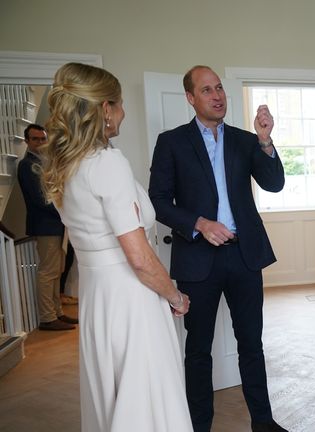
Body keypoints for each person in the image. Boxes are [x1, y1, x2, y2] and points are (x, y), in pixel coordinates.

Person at [40, 63, 192, 431]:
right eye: (120, 103)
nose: (123, 111)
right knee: (146, 396)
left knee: (115, 393)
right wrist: (175, 296)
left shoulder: (64, 164)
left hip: (98, 297)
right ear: (105, 110)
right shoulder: (107, 163)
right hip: (130, 299)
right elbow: (139, 258)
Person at [148, 65, 286, 432]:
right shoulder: (172, 142)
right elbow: (158, 201)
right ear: (191, 98)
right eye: (207, 90)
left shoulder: (245, 140)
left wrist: (265, 140)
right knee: (198, 351)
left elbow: (274, 184)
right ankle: (199, 426)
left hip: (244, 256)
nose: (217, 95)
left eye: (220, 88)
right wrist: (199, 224)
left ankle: (263, 422)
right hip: (197, 260)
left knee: (252, 345)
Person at [17, 123, 78, 331]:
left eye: (43, 139)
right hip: (45, 225)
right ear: (27, 141)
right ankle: (47, 317)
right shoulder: (27, 165)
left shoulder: (44, 162)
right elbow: (40, 199)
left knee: (57, 270)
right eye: (35, 139)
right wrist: (65, 211)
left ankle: (57, 312)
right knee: (48, 272)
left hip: (56, 224)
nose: (41, 142)